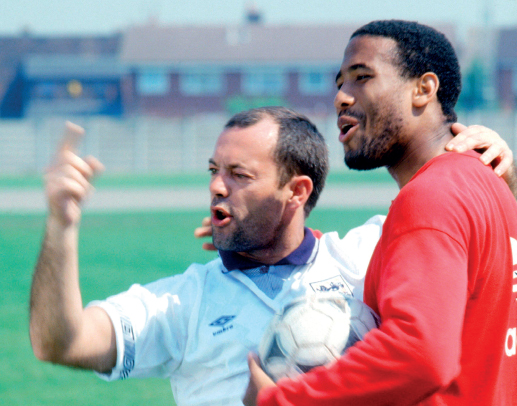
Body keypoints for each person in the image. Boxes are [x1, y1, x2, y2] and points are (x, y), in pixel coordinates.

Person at [30, 107, 390, 406]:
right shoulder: (182, 302)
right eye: (214, 170)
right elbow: (62, 343)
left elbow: (441, 192)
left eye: (239, 175)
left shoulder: (366, 256)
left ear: (296, 191)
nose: (216, 186)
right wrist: (61, 225)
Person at [244, 20, 517, 406]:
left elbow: (420, 355)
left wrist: (284, 399)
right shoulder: (492, 185)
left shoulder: (430, 198)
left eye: (362, 77)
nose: (341, 97)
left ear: (424, 89)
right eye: (340, 83)